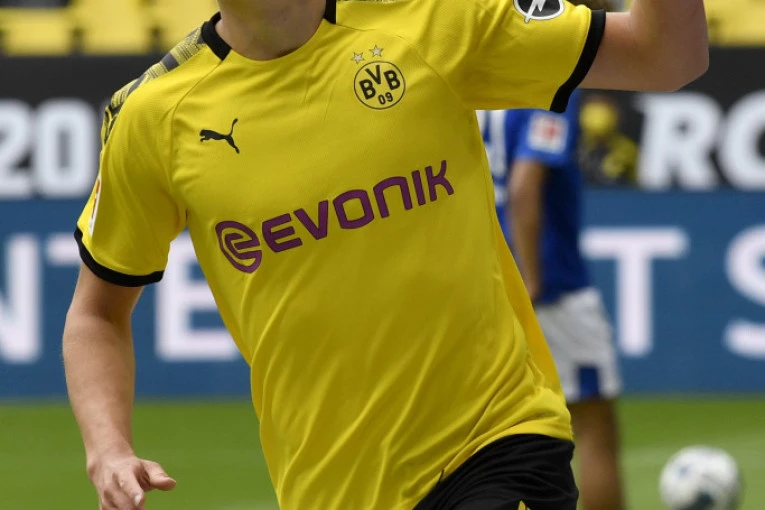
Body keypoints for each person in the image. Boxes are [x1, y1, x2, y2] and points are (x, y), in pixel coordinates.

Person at [62, 0, 708, 509]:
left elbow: (666, 58)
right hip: (329, 488)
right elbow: (96, 314)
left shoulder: (430, 17)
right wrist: (108, 450)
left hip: (495, 439)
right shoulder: (153, 116)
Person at [480, 4, 627, 507]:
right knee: (593, 426)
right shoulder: (548, 78)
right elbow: (526, 184)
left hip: (486, 283)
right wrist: (534, 278)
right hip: (550, 285)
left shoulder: (476, 80)